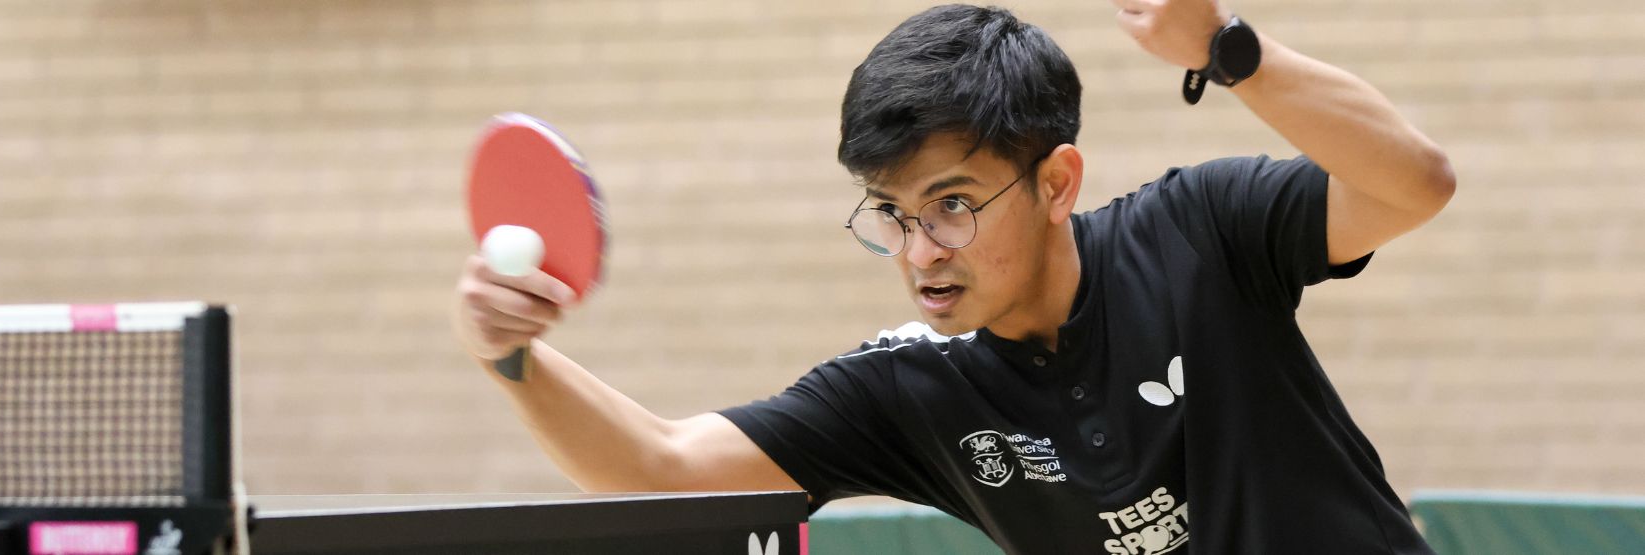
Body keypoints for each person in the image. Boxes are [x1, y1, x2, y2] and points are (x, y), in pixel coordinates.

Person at [451, 1, 1454, 553]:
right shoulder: (913, 388)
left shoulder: (1198, 232)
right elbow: (659, 470)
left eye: (952, 204)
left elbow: (1411, 184)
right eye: (889, 213)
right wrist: (512, 361)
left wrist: (1227, 50)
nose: (919, 250)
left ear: (1055, 181)